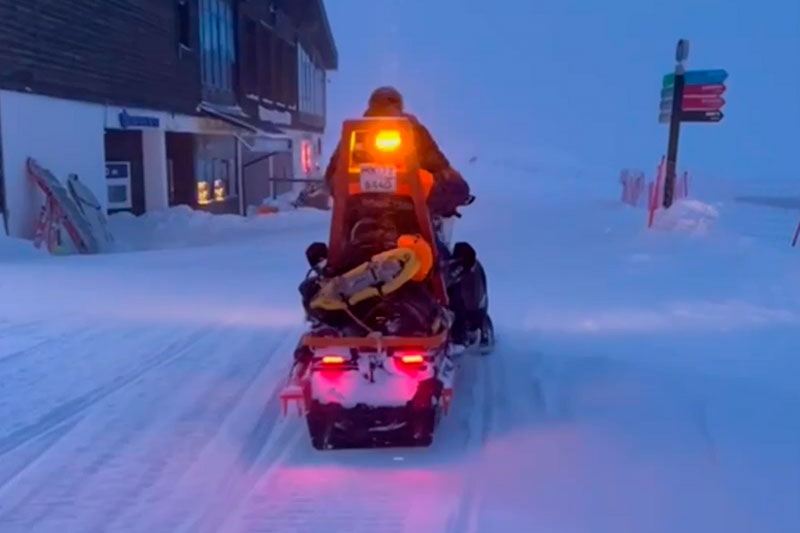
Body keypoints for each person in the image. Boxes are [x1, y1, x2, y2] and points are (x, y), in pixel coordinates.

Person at [324, 86, 470, 217]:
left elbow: (332, 176)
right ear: (400, 106)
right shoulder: (415, 129)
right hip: (410, 206)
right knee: (458, 190)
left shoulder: (355, 132)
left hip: (362, 207)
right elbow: (439, 165)